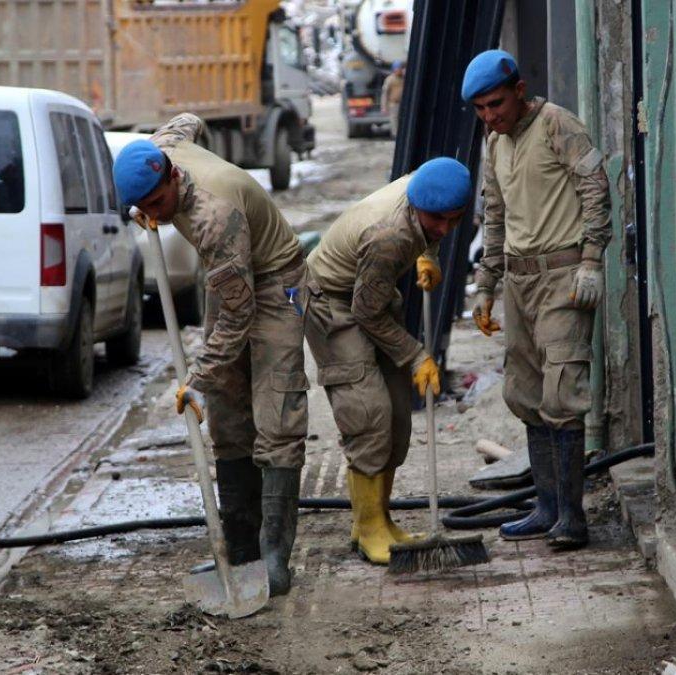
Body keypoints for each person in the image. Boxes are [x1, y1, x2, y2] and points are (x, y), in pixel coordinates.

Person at [113, 113, 312, 595]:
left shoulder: (215, 217)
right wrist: (213, 383)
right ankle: (239, 550)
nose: (154, 216)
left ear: (173, 176)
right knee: (226, 416)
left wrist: (198, 378)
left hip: (277, 283)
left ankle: (274, 558)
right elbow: (187, 121)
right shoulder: (163, 147)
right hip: (230, 278)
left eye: (157, 204)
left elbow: (240, 317)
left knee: (277, 414)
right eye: (143, 208)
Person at [463, 49, 611, 549]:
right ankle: (546, 507)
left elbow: (595, 187)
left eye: (496, 104)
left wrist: (592, 260)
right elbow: (495, 215)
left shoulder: (556, 125)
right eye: (480, 109)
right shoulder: (494, 143)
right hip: (519, 281)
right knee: (524, 393)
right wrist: (486, 285)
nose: (490, 116)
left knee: (562, 391)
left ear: (519, 91)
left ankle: (571, 517)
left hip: (563, 276)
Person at [304, 157, 471, 564]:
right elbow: (365, 313)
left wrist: (428, 253)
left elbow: (433, 221)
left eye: (453, 219)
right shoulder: (387, 237)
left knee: (397, 414)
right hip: (331, 302)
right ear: (417, 205)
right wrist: (416, 355)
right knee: (368, 413)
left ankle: (380, 517)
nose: (444, 228)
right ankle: (367, 528)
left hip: (371, 293)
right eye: (436, 220)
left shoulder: (427, 186)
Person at [380, 61, 405, 139]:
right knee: (394, 120)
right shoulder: (390, 79)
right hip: (394, 103)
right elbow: (385, 94)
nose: (399, 70)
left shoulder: (404, 78)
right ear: (394, 69)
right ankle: (395, 135)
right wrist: (384, 107)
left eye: (400, 68)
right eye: (398, 69)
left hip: (404, 104)